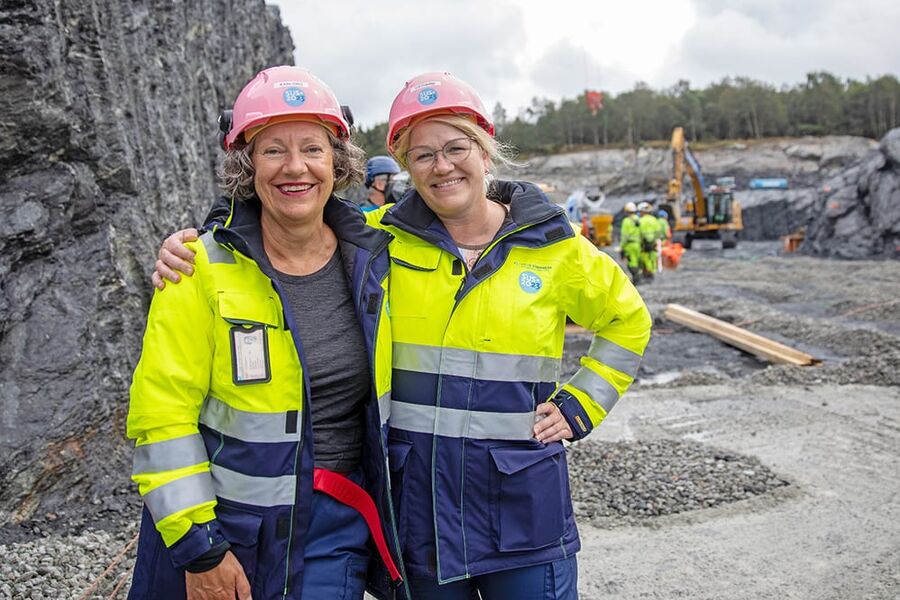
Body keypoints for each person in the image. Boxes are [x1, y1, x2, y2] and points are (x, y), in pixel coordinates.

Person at [155, 71, 652, 600]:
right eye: (422, 156)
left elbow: (628, 320)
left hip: (524, 508)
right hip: (422, 517)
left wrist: (583, 403)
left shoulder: (555, 247)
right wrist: (202, 237)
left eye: (457, 148)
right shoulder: (379, 238)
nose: (443, 166)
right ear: (405, 167)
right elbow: (295, 214)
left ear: (485, 151)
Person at [128, 66, 405, 600]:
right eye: (273, 150)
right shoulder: (197, 270)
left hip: (334, 528)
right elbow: (162, 415)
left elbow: (460, 205)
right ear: (247, 164)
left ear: (338, 161)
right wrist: (198, 546)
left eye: (312, 149)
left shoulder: (381, 255)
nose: (295, 167)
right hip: (222, 531)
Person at [619, 201, 642, 282]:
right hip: (638, 244)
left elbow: (624, 235)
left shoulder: (626, 221)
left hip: (630, 245)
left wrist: (621, 246)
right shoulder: (638, 219)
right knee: (636, 260)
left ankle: (636, 279)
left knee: (631, 262)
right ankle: (638, 277)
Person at [637, 201, 660, 282]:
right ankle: (651, 273)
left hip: (644, 243)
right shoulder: (654, 220)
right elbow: (658, 232)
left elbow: (639, 233)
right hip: (653, 242)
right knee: (652, 258)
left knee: (645, 259)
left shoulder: (641, 220)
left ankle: (647, 275)